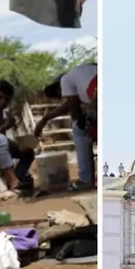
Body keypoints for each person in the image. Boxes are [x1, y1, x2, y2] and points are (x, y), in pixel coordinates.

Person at [33, 62, 97, 190]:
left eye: (59, 94)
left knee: (78, 129)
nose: (61, 97)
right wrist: (45, 118)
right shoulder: (83, 73)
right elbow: (69, 105)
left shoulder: (66, 80)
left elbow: (75, 114)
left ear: (60, 86)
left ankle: (86, 180)